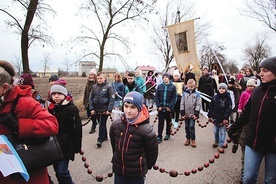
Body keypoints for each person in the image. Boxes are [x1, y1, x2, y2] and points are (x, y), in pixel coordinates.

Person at [0, 60, 59, 184]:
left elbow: (52, 125)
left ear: (5, 87)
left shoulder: (24, 102)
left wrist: (18, 125)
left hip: (28, 173)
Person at [228, 56, 276, 184]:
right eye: (260, 70)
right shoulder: (256, 92)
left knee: (270, 180)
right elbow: (246, 114)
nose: (261, 74)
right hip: (253, 141)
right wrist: (233, 127)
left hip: (273, 145)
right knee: (248, 178)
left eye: (265, 70)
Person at [109, 91, 158, 184]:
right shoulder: (116, 125)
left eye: (132, 107)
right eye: (126, 106)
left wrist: (143, 167)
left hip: (136, 174)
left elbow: (152, 153)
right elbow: (114, 146)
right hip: (119, 170)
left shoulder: (147, 130)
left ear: (139, 108)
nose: (128, 110)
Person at [48, 83, 82, 184]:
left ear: (64, 94)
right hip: (54, 145)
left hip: (66, 145)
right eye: (54, 94)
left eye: (59, 93)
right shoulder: (51, 108)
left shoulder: (71, 109)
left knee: (62, 171)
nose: (56, 96)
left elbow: (77, 129)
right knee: (57, 171)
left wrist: (77, 146)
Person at [236, 78, 257, 183]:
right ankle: (243, 175)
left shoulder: (257, 95)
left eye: (252, 86)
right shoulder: (244, 94)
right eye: (248, 86)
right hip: (245, 120)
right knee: (245, 157)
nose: (250, 88)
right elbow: (241, 102)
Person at [89, 72, 115, 147]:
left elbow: (112, 98)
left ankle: (100, 139)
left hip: (104, 109)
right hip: (96, 109)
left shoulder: (108, 87)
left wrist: (109, 110)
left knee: (101, 124)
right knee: (101, 124)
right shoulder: (94, 87)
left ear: (104, 78)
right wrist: (91, 108)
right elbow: (91, 98)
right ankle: (105, 136)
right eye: (98, 78)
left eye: (101, 78)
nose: (99, 80)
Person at [208, 83, 232, 149]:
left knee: (222, 132)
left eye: (223, 89)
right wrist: (209, 115)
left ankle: (221, 144)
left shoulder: (227, 98)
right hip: (215, 117)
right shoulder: (215, 98)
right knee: (215, 131)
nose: (221, 90)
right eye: (220, 88)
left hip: (223, 118)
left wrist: (226, 117)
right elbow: (211, 107)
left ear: (226, 89)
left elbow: (228, 109)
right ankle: (216, 141)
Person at [155, 73, 177, 143]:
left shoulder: (173, 87)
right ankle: (159, 136)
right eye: (164, 77)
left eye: (166, 77)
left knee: (168, 122)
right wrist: (158, 106)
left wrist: (170, 106)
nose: (165, 79)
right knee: (160, 123)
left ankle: (168, 134)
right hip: (161, 108)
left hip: (169, 109)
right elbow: (156, 97)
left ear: (169, 78)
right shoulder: (159, 86)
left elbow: (174, 98)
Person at [180, 79, 201, 147]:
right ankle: (187, 138)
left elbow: (198, 104)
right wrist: (182, 113)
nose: (190, 88)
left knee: (191, 126)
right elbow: (182, 103)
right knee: (186, 127)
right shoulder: (184, 94)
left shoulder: (197, 94)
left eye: (192, 87)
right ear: (187, 86)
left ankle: (193, 139)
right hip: (186, 114)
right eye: (189, 87)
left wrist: (196, 113)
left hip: (193, 114)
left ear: (194, 86)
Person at [83, 69, 98, 134]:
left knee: (93, 114)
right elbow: (85, 93)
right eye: (90, 74)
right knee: (88, 114)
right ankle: (94, 122)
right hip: (87, 101)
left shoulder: (96, 83)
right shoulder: (88, 83)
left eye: (92, 75)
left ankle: (93, 126)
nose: (91, 76)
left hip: (93, 101)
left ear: (95, 75)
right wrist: (84, 102)